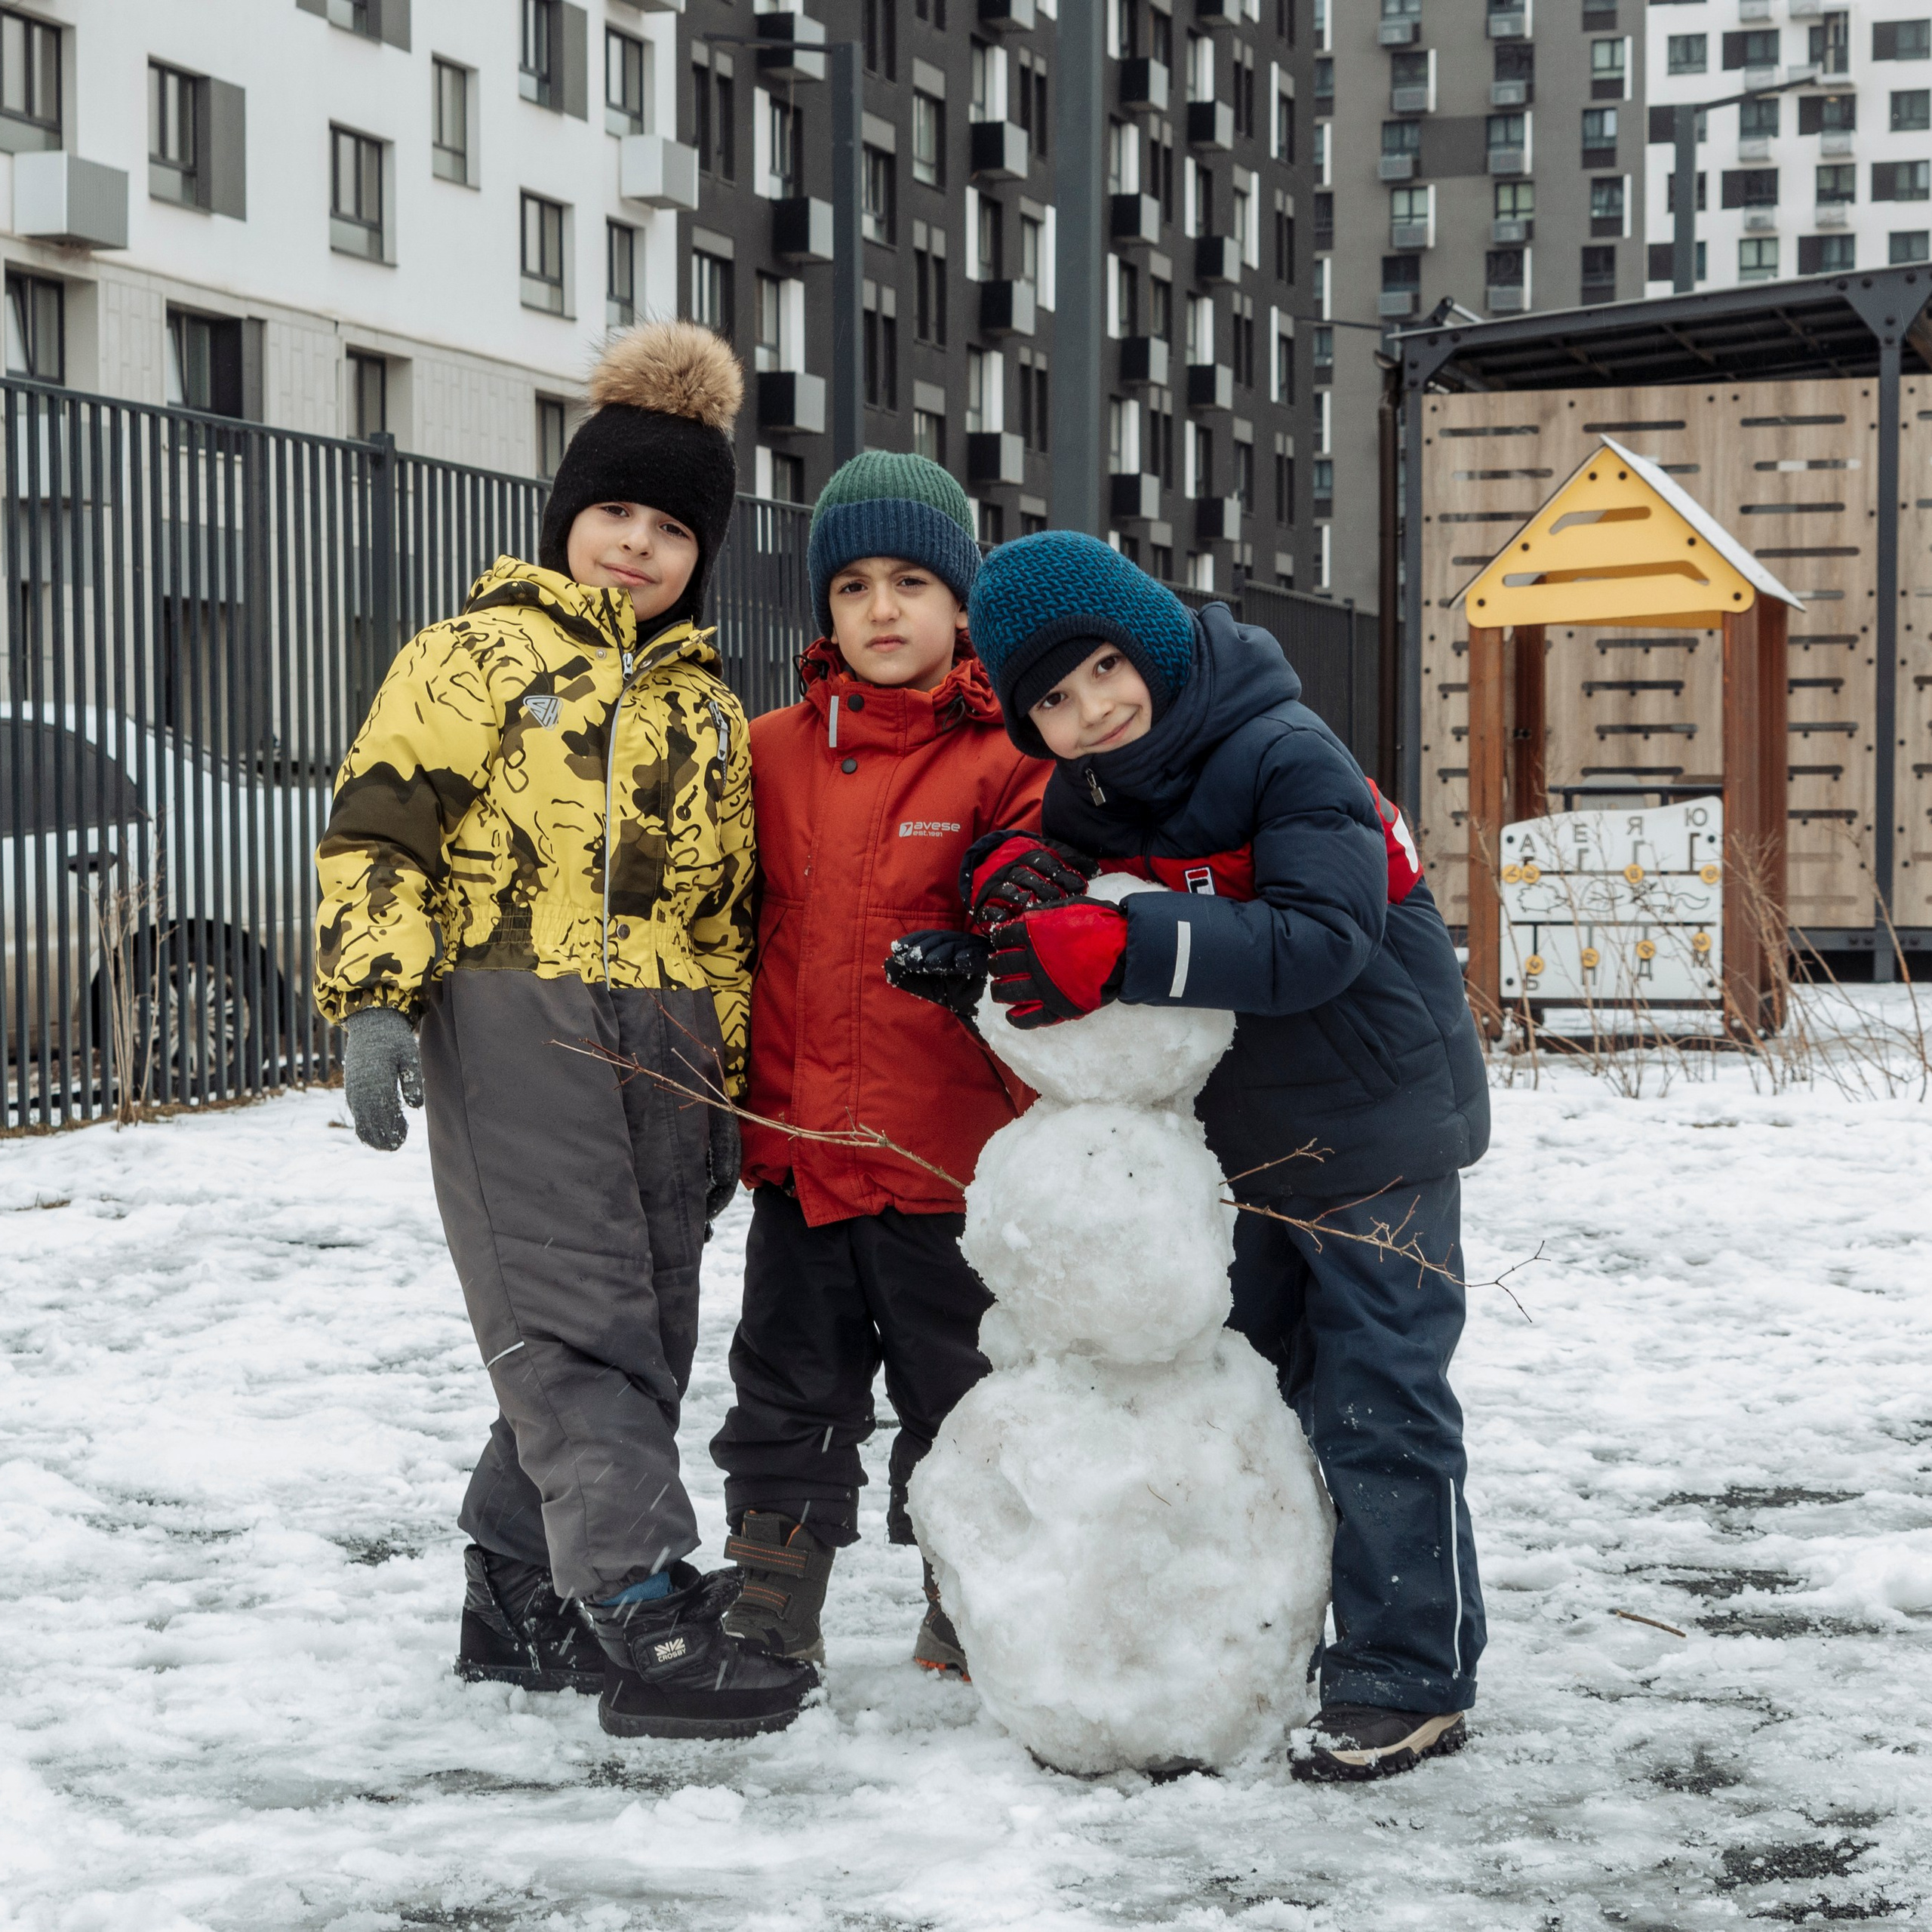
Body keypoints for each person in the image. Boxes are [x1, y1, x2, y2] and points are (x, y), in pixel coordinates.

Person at [313, 320, 815, 1742]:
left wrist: (719, 1083)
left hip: (656, 1026)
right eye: (614, 513)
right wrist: (374, 995)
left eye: (671, 527)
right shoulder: (472, 657)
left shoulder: (711, 710)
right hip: (511, 996)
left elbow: (724, 919)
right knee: (570, 1316)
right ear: (567, 517)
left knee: (642, 1324)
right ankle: (643, 1608)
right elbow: (381, 828)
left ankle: (515, 1589)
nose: (638, 546)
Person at [958, 531, 1491, 1783]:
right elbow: (1079, 911)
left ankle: (1410, 1671)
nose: (1089, 711)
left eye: (1100, 672)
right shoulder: (1091, 794)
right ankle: (1279, 1638)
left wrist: (1124, 946)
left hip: (1377, 1130)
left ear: (1144, 638)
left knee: (1378, 1405)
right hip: (1248, 1146)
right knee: (1270, 1399)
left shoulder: (1286, 752)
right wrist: (1003, 920)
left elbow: (1322, 939)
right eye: (1051, 700)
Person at [707, 451, 1051, 1675]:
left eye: (912, 580)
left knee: (961, 1393)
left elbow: (1038, 919)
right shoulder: (762, 755)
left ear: (962, 604)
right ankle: (772, 1587)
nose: (882, 610)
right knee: (785, 1393)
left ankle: (966, 1588)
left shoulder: (1010, 758)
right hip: (800, 1160)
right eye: (852, 586)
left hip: (946, 1162)